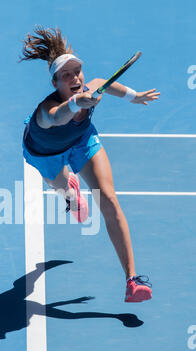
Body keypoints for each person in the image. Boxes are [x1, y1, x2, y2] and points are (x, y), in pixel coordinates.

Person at [19, 26, 160, 302]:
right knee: (64, 190)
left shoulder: (90, 87)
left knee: (108, 198)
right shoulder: (46, 110)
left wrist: (135, 96)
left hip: (82, 141)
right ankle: (70, 193)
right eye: (66, 75)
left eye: (77, 71)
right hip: (44, 153)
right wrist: (75, 104)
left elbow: (105, 83)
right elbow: (58, 117)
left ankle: (132, 280)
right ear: (55, 83)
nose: (74, 77)